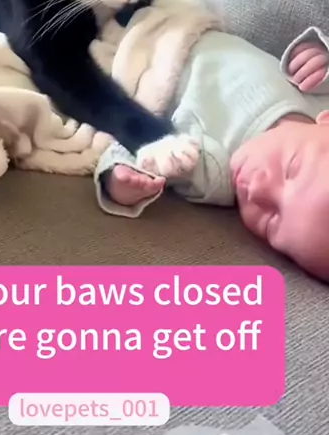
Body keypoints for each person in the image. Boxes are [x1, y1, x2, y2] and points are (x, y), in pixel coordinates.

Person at [95, 26, 329, 281]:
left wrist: (119, 178)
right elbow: (314, 59)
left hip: (134, 57)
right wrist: (317, 57)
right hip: (189, 23)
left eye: (271, 221)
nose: (257, 190)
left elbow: (143, 146)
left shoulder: (212, 171)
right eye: (291, 168)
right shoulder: (318, 93)